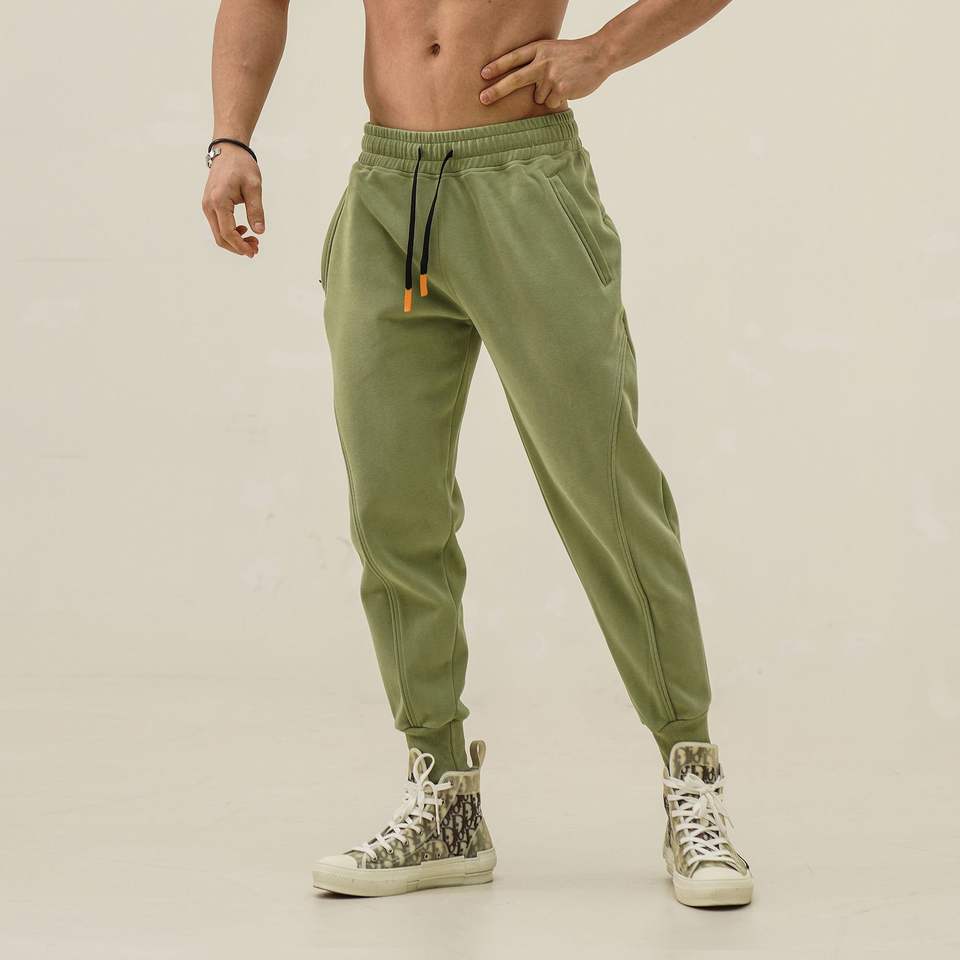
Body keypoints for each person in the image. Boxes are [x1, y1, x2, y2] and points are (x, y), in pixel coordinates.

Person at [202, 0, 753, 907]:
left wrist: (605, 51)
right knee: (391, 502)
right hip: (388, 190)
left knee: (605, 489)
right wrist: (232, 139)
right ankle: (444, 799)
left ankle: (690, 775)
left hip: (524, 180)